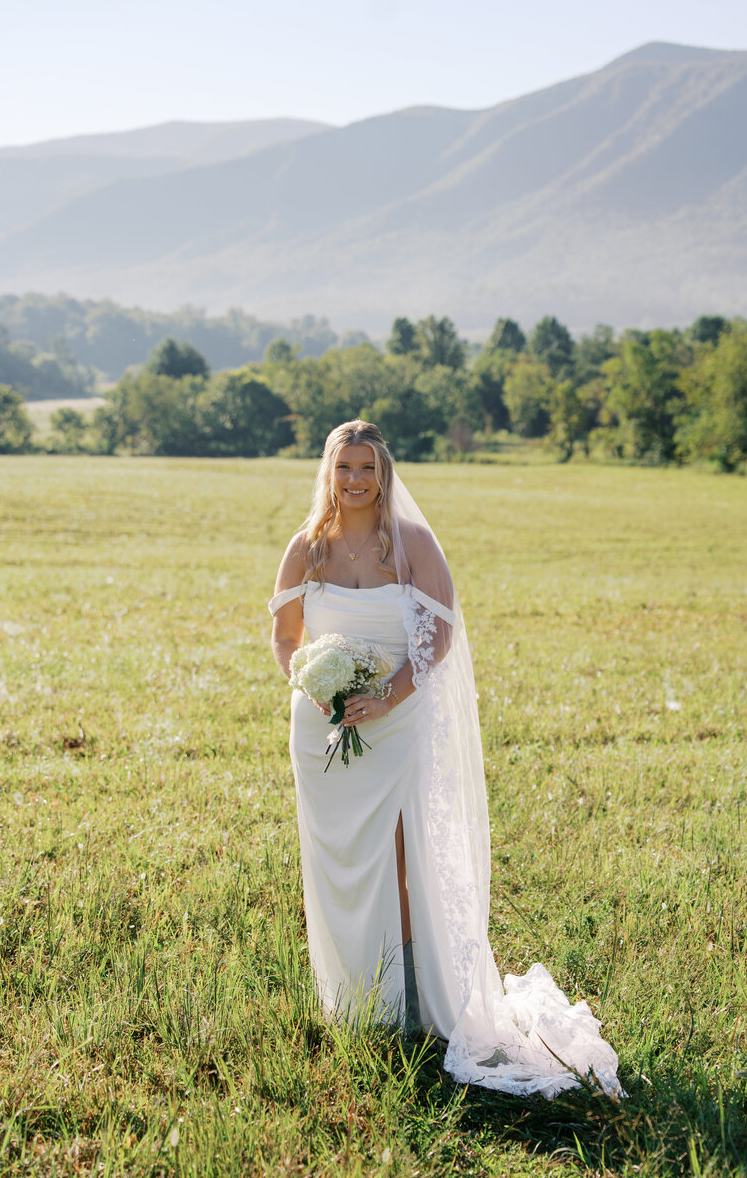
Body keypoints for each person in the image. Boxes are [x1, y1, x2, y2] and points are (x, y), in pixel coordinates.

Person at [269, 420, 621, 1098]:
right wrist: (312, 686)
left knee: (401, 860)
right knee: (336, 860)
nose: (355, 480)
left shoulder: (412, 545)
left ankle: (412, 1004)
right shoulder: (305, 549)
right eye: (344, 467)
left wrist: (388, 698)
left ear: (384, 472)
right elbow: (285, 638)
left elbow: (441, 631)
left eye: (366, 467)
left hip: (395, 723)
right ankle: (353, 1002)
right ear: (328, 471)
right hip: (321, 729)